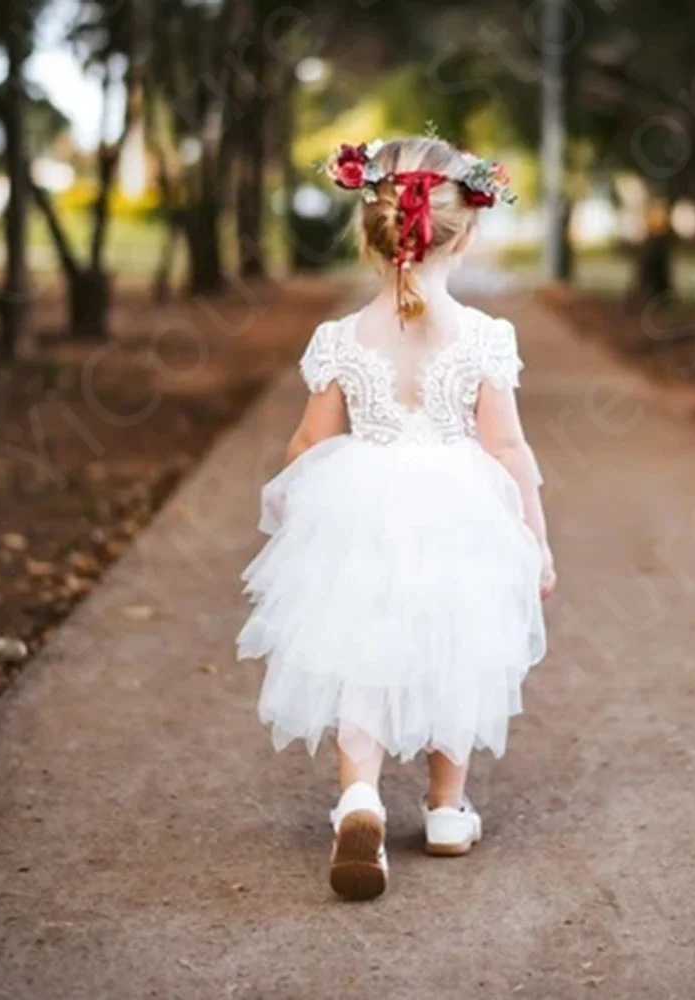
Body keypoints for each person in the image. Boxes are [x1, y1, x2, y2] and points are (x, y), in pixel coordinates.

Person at [237, 136, 555, 901]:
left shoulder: (342, 339)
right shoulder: (485, 338)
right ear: (466, 233)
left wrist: (295, 507)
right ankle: (446, 809)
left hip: (360, 507)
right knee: (457, 643)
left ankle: (360, 798)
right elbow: (506, 447)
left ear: (371, 234)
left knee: (362, 647)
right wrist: (535, 542)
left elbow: (313, 440)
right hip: (462, 512)